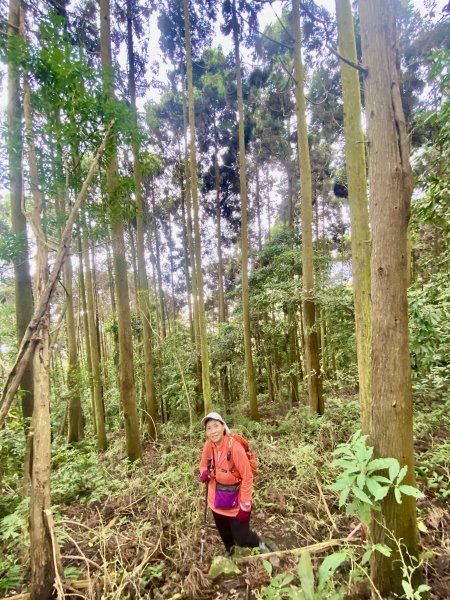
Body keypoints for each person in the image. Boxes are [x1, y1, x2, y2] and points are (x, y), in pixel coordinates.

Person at [199, 411, 268, 556]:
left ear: (223, 426)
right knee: (224, 532)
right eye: (209, 428)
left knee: (242, 538)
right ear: (205, 432)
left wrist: (245, 504)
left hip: (236, 500)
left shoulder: (234, 447)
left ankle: (259, 543)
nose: (213, 431)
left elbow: (247, 476)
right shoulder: (208, 446)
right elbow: (203, 465)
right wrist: (204, 473)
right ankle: (229, 551)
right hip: (216, 499)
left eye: (216, 426)